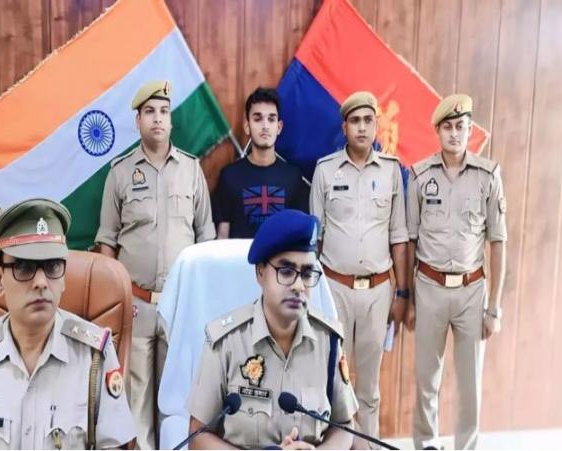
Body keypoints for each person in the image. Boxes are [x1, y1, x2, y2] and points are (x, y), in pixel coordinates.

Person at [0, 198, 136, 449]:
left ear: (64, 278)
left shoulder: (95, 357)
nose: (40, 282)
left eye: (52, 266)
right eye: (24, 267)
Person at [95, 80, 216, 449]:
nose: (157, 119)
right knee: (136, 398)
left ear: (172, 120)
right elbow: (106, 243)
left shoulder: (191, 170)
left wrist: (201, 302)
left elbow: (205, 238)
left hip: (180, 304)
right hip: (136, 304)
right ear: (138, 121)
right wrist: (114, 303)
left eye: (164, 111)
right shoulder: (119, 173)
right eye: (149, 112)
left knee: (177, 398)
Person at [187, 209, 358, 449]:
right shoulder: (226, 343)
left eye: (307, 274)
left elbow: (345, 425)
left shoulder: (327, 341)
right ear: (260, 272)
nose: (299, 286)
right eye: (286, 272)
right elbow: (197, 435)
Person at [405, 94, 507, 450]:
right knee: (426, 380)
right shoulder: (420, 176)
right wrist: (408, 299)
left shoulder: (488, 175)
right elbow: (410, 240)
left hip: (471, 291)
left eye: (460, 126)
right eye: (447, 127)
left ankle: (466, 446)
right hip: (428, 287)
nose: (454, 133)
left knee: (470, 383)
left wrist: (494, 308)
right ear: (437, 131)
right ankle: (427, 444)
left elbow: (498, 242)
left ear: (469, 130)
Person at [309, 90, 409, 446]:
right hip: (334, 288)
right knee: (333, 382)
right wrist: (314, 294)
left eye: (368, 120)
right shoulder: (325, 170)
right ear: (345, 127)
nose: (362, 128)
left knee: (369, 388)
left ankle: (367, 446)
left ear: (376, 125)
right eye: (355, 121)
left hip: (378, 292)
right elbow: (314, 240)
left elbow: (399, 236)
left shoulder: (392, 171)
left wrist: (402, 293)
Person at [213, 87, 309, 239]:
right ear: (247, 126)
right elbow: (222, 236)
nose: (265, 126)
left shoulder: (293, 177)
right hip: (240, 255)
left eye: (271, 119)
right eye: (258, 119)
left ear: (279, 127)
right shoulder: (229, 176)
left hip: (280, 255)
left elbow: (299, 233)